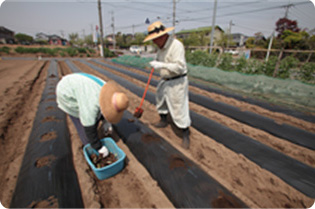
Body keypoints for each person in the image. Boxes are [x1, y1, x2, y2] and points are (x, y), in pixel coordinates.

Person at [56, 73, 129, 157]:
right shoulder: (91, 103)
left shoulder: (107, 91)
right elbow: (88, 126)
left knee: (94, 117)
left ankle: (93, 139)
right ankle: (90, 148)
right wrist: (98, 147)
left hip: (78, 84)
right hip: (66, 92)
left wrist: (106, 121)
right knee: (85, 131)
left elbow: (103, 108)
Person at [143, 21, 191, 149]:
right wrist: (156, 62)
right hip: (165, 79)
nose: (153, 42)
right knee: (160, 99)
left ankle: (185, 133)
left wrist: (162, 65)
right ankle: (163, 120)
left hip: (177, 80)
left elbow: (180, 67)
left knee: (178, 106)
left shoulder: (176, 46)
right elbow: (159, 59)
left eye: (155, 39)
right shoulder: (161, 47)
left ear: (162, 36)